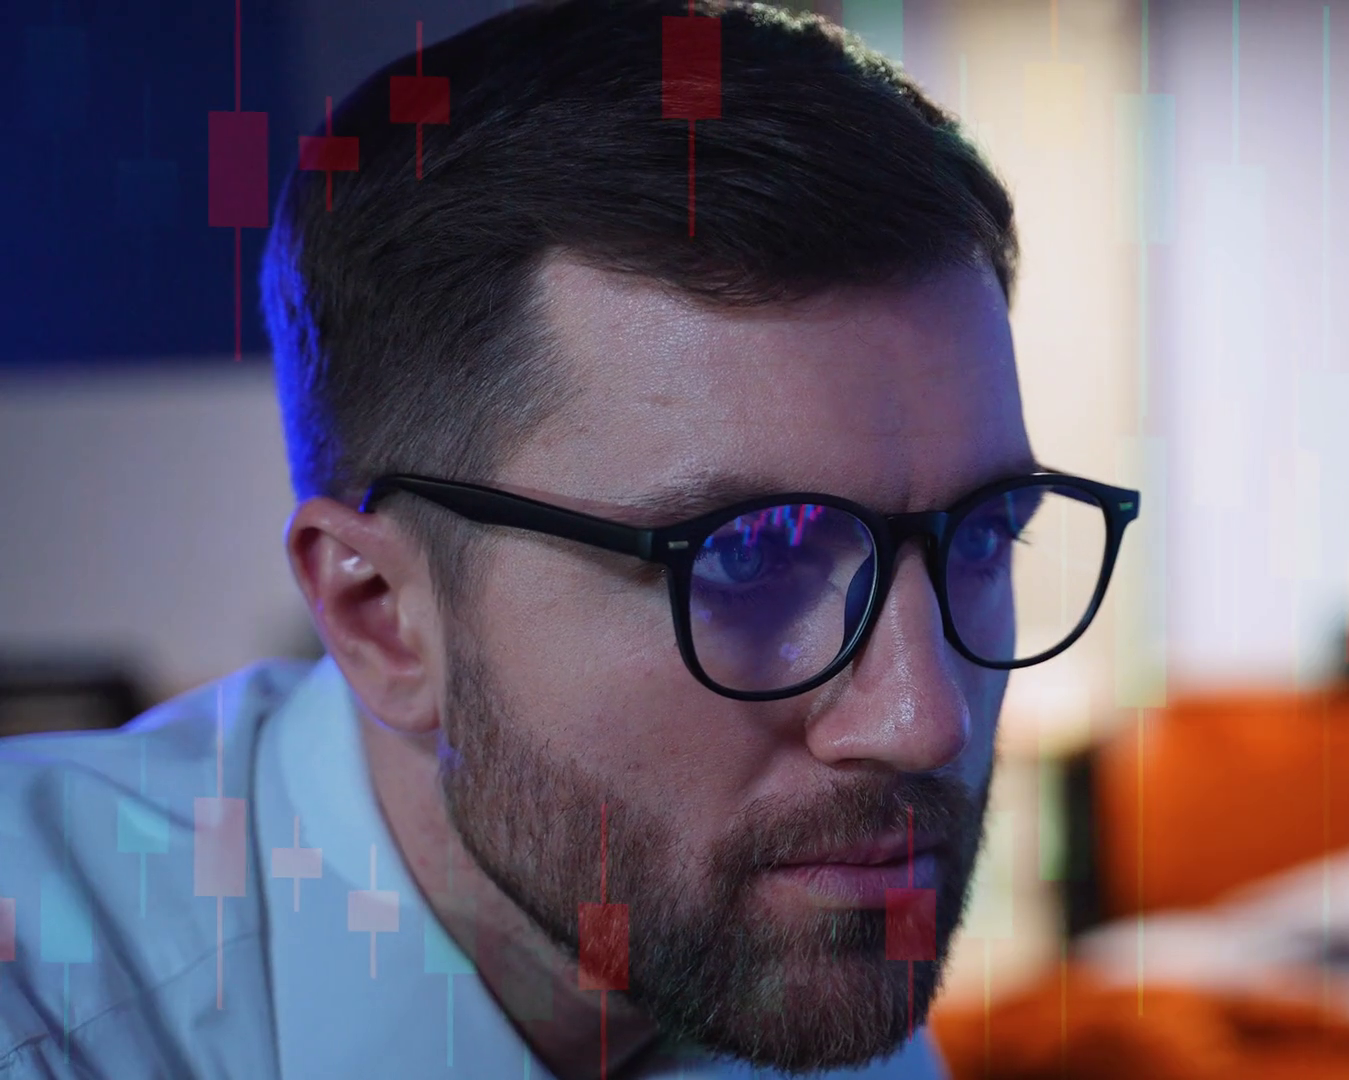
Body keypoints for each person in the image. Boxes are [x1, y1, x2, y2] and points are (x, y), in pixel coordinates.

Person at [0, 1, 1140, 1077]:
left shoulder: (778, 947)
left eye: (983, 534)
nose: (924, 722)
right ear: (381, 617)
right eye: (750, 557)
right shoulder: (43, 1009)